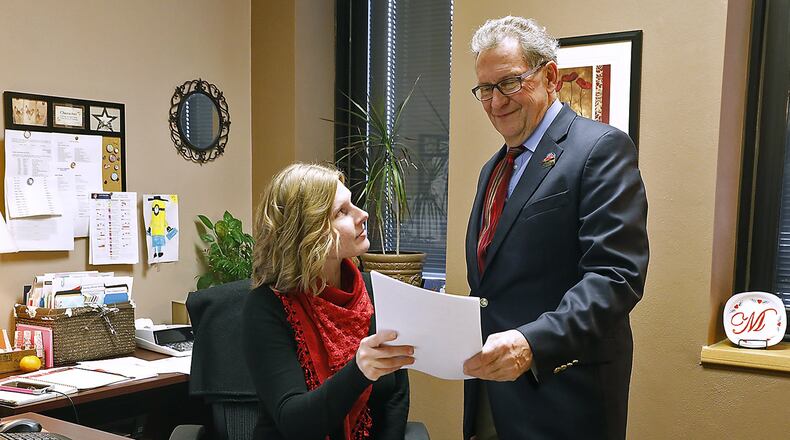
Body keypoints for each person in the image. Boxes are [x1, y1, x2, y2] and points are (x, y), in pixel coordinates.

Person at [461, 16, 649, 440]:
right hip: (493, 396)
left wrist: (532, 343)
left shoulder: (599, 149)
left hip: (564, 397)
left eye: (510, 83)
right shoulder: (493, 168)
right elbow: (493, 286)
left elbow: (615, 278)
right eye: (485, 89)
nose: (496, 102)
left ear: (550, 77)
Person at [242, 163, 415, 440]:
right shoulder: (267, 306)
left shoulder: (375, 290)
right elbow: (294, 422)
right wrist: (359, 371)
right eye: (342, 212)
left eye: (352, 204)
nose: (363, 215)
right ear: (308, 231)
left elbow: (396, 394)